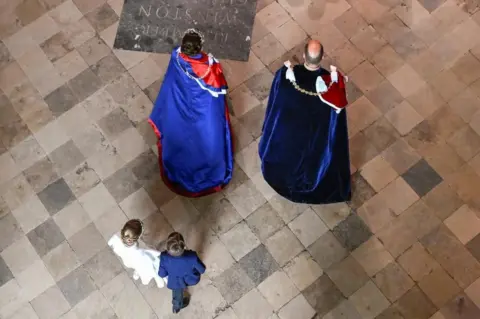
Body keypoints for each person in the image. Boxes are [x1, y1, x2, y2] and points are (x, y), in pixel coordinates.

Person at [258, 40, 351, 204]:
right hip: (313, 139)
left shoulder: (285, 77)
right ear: (322, 57)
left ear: (303, 56)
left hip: (288, 136)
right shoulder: (331, 89)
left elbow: (274, 104)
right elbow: (335, 124)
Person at [148, 29, 234, 197]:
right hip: (203, 108)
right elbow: (217, 93)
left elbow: (172, 79)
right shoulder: (210, 67)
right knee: (209, 136)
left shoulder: (176, 56)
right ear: (199, 47)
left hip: (180, 102)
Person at [108, 219, 166, 288]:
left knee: (136, 266)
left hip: (127, 261)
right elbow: (149, 252)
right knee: (145, 267)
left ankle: (136, 273)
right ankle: (147, 275)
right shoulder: (138, 251)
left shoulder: (116, 237)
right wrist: (159, 253)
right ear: (137, 237)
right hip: (135, 261)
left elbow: (110, 242)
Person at [158, 232, 206, 314]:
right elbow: (202, 270)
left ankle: (176, 308)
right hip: (190, 279)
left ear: (167, 249)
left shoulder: (164, 257)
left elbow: (162, 274)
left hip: (175, 281)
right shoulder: (192, 256)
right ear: (184, 246)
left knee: (176, 294)